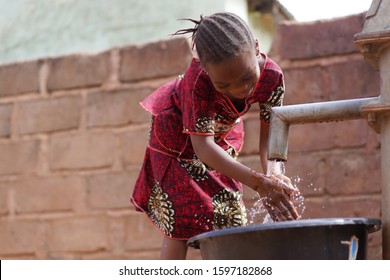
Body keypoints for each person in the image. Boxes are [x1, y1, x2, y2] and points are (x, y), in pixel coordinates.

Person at [131, 12, 300, 260]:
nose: (240, 89)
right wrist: (259, 183)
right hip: (175, 136)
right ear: (206, 71)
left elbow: (270, 138)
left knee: (230, 212)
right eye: (223, 86)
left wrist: (274, 176)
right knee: (182, 216)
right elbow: (203, 149)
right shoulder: (197, 80)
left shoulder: (272, 79)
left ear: (256, 48)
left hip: (217, 134)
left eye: (246, 77)